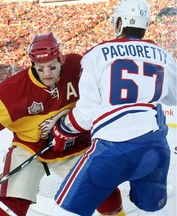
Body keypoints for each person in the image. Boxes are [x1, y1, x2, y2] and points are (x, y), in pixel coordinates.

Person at [0, 32, 125, 216]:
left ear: (61, 59)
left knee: (105, 190)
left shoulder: (76, 67)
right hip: (29, 147)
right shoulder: (12, 92)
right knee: (13, 204)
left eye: (52, 67)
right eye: (40, 68)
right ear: (32, 65)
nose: (47, 74)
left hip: (75, 146)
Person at [49, 0, 177, 215]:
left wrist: (62, 129)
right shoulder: (164, 55)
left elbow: (86, 114)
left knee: (66, 209)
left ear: (119, 22)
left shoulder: (96, 55)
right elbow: (173, 97)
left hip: (112, 149)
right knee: (149, 205)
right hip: (155, 149)